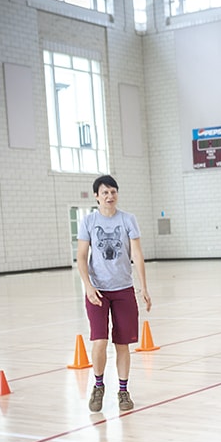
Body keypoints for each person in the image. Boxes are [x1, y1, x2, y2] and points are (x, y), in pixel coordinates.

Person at [76, 175, 152, 413]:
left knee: (122, 345)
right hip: (98, 291)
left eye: (113, 192)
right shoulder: (88, 222)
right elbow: (81, 256)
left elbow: (137, 254)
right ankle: (98, 386)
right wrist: (88, 285)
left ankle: (123, 390)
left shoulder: (128, 220)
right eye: (105, 192)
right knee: (99, 342)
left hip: (123, 290)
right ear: (97, 196)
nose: (110, 196)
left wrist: (144, 286)